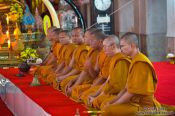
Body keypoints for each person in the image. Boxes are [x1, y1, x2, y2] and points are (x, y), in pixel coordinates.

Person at [103, 32, 161, 116]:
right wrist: (113, 101)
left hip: (145, 107)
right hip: (134, 102)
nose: (121, 49)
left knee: (108, 110)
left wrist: (114, 104)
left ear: (132, 46)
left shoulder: (140, 63)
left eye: (122, 46)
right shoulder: (134, 60)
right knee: (106, 104)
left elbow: (131, 92)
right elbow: (126, 88)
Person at [87, 35, 131, 110]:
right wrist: (96, 95)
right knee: (88, 96)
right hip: (112, 92)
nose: (103, 49)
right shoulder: (114, 58)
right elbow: (108, 81)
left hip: (121, 94)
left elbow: (117, 86)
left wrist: (98, 97)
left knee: (104, 106)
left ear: (113, 46)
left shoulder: (121, 61)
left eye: (105, 46)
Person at [65, 29, 106, 97]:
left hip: (99, 84)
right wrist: (73, 81)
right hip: (93, 81)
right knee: (72, 88)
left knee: (81, 94)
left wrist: (91, 89)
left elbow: (102, 78)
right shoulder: (95, 51)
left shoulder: (104, 54)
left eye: (86, 37)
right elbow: (86, 70)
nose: (90, 41)